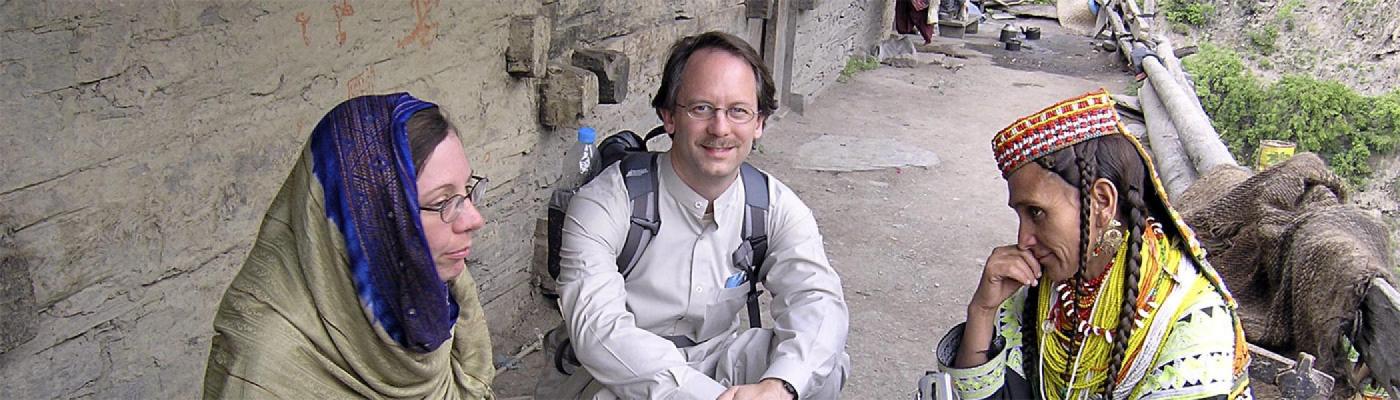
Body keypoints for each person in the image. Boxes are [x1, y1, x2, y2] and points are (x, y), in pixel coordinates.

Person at [539, 31, 850, 400]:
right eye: (701, 108)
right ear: (668, 117)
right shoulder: (605, 203)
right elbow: (599, 331)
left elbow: (817, 300)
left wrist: (780, 387)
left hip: (719, 360)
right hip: (619, 375)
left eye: (738, 111)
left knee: (820, 369)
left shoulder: (773, 207)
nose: (720, 128)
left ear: (759, 123)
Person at [935, 89, 1253, 399]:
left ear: (1101, 202)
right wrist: (982, 310)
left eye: (1036, 212)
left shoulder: (1192, 321)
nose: (1023, 240)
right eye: (1020, 215)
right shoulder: (1048, 290)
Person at [203, 93, 495, 399]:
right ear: (376, 227)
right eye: (442, 202)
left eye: (467, 189)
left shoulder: (436, 291)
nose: (475, 219)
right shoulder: (267, 369)